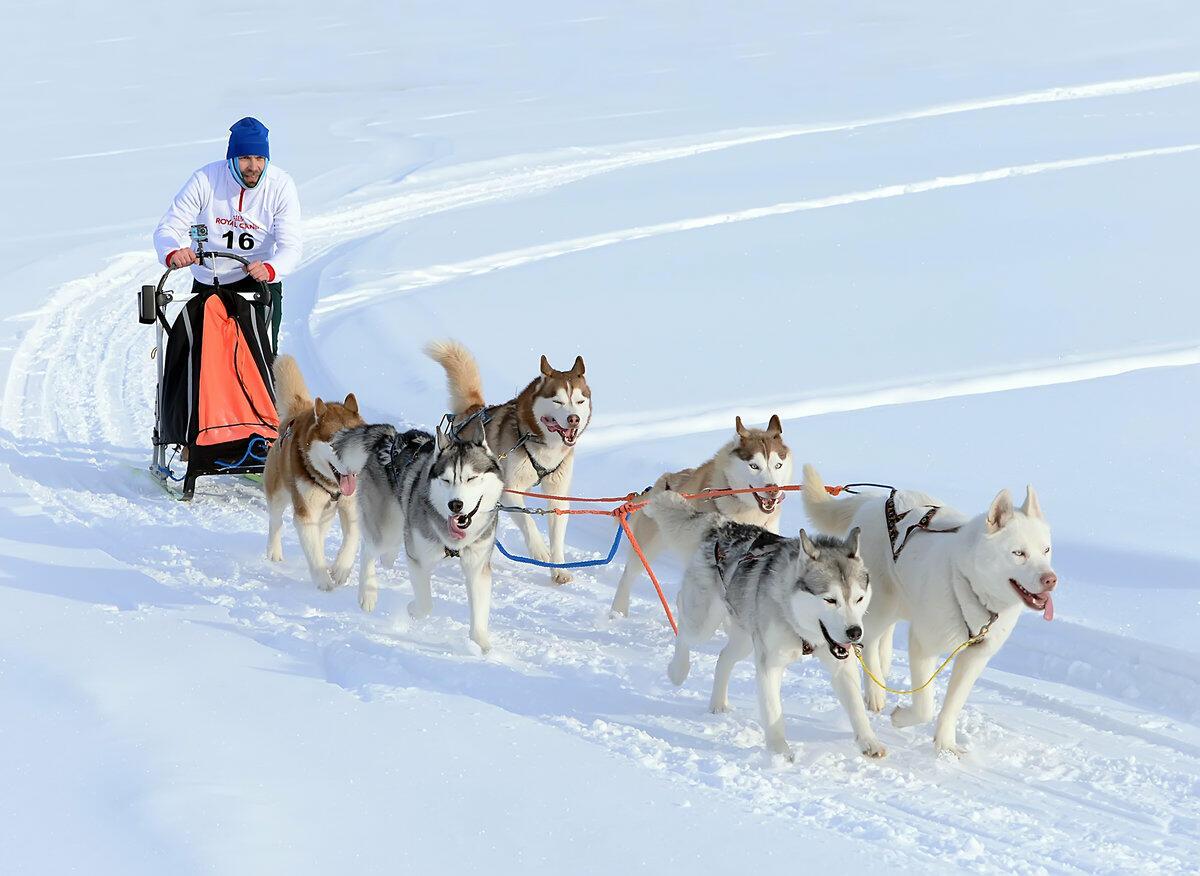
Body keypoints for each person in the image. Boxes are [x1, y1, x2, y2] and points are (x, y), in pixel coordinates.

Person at [153, 117, 301, 352]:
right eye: (245, 158)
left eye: (260, 158)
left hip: (258, 282)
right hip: (209, 280)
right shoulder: (206, 179)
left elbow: (291, 247)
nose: (253, 166)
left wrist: (270, 268)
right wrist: (172, 253)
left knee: (261, 358)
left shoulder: (280, 185)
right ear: (231, 158)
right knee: (197, 355)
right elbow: (168, 228)